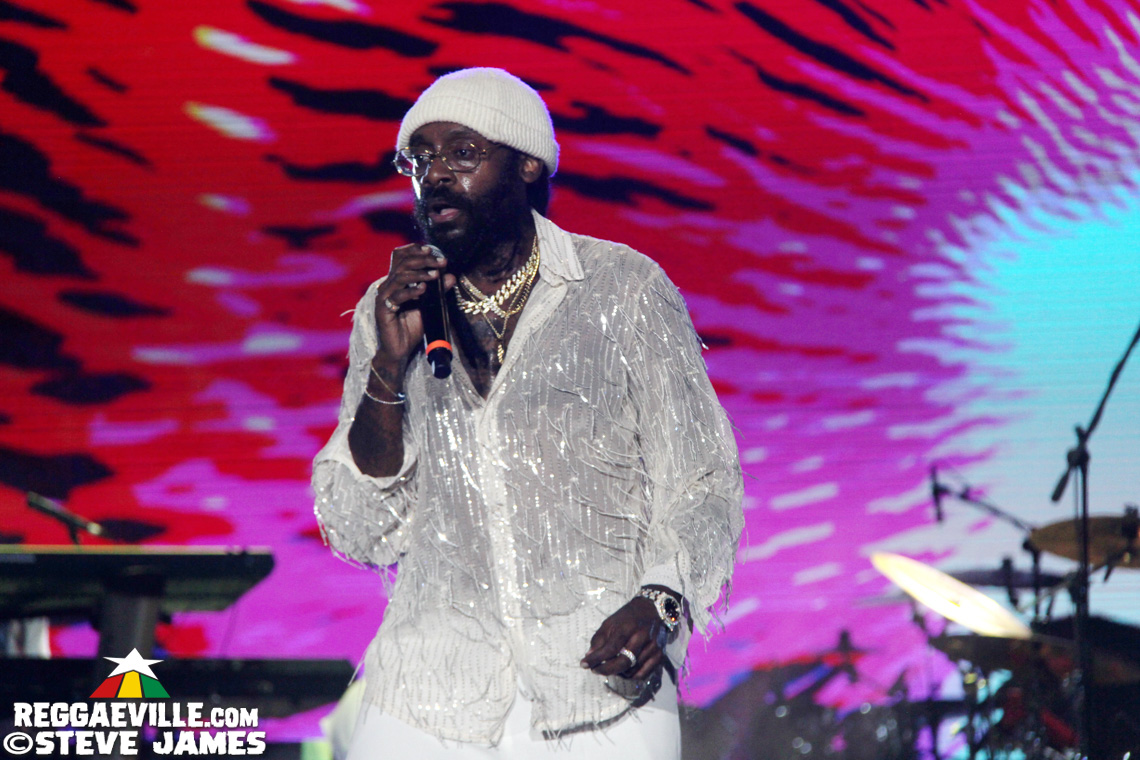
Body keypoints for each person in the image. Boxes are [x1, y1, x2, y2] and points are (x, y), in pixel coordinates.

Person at [312, 67, 743, 759]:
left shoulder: (621, 288)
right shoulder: (390, 306)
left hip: (599, 684)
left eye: (462, 153)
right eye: (419, 159)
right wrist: (389, 366)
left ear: (527, 164)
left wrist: (660, 600)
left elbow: (703, 480)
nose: (435, 175)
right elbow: (361, 529)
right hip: (431, 693)